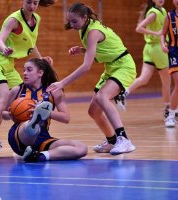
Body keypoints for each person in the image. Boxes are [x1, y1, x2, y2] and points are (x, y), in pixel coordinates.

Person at [47, 2, 137, 155]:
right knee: (94, 111)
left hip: (124, 66)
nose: (72, 24)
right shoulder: (86, 28)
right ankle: (112, 141)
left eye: (75, 21)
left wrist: (62, 83)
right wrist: (83, 50)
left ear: (85, 17)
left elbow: (86, 67)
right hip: (111, 67)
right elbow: (105, 48)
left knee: (103, 97)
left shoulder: (93, 31)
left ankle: (124, 140)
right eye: (70, 21)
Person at [0, 0, 55, 155]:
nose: (32, 6)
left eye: (35, 3)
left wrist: (41, 61)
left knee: (25, 95)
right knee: (4, 97)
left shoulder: (37, 19)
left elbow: (32, 43)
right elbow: (1, 39)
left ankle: (25, 135)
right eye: (29, 2)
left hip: (9, 64)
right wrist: (4, 49)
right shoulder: (14, 20)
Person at [2, 58, 88, 162]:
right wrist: (10, 115)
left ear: (40, 73)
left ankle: (38, 156)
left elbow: (66, 118)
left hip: (42, 139)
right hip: (20, 136)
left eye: (29, 70)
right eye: (24, 70)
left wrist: (46, 113)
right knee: (31, 127)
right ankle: (32, 124)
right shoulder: (17, 90)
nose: (24, 73)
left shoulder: (54, 91)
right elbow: (3, 113)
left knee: (81, 148)